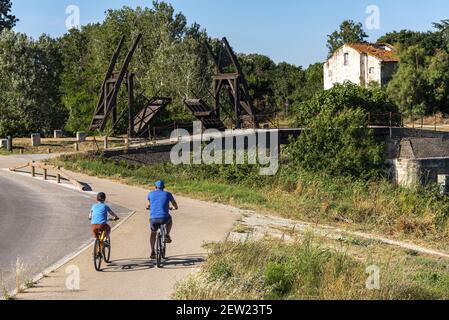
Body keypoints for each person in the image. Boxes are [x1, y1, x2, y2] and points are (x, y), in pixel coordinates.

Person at [148, 180, 178, 259]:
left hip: (153, 219)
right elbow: (174, 203)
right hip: (164, 218)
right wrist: (175, 207)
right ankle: (167, 234)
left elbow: (149, 204)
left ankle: (152, 251)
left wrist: (148, 207)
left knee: (153, 233)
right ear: (163, 187)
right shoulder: (168, 194)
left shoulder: (150, 193)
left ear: (155, 187)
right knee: (170, 220)